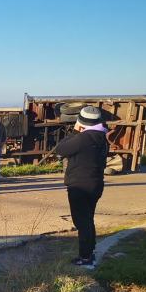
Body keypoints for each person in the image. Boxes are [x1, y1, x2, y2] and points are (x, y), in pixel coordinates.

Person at [54, 105, 109, 268]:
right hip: (96, 183)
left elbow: (61, 149)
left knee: (81, 222)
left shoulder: (84, 137)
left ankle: (85, 257)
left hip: (80, 184)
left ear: (81, 121)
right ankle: (90, 250)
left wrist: (76, 132)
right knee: (88, 218)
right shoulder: (102, 136)